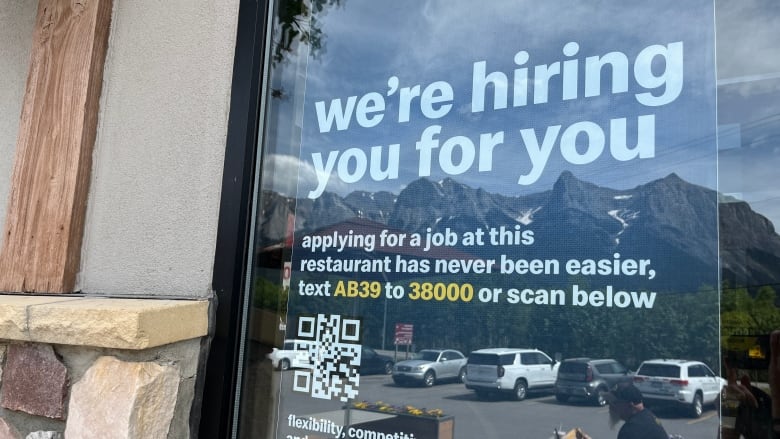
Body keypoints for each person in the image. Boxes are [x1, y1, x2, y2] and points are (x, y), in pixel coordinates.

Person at [574, 383, 668, 439]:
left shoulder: (631, 430)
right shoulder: (647, 416)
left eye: (614, 402)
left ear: (630, 405)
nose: (610, 406)